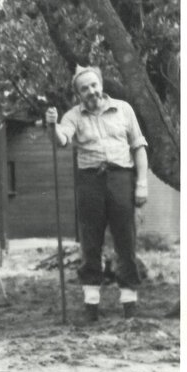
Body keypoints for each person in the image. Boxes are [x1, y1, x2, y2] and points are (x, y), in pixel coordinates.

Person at [46, 65, 148, 321]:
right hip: (90, 181)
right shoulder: (72, 116)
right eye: (84, 88)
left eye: (93, 85)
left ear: (101, 84)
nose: (91, 91)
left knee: (126, 240)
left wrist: (143, 182)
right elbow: (60, 140)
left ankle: (129, 304)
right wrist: (51, 125)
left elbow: (139, 146)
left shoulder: (124, 109)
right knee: (90, 241)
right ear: (79, 94)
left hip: (121, 178)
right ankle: (91, 305)